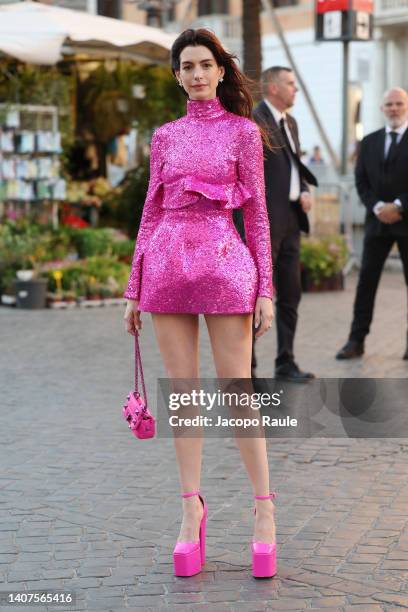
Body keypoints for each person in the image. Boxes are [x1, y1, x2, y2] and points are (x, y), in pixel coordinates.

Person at [123, 28, 277, 579]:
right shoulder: (163, 136)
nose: (195, 74)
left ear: (220, 70)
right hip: (166, 264)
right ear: (176, 75)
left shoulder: (243, 134)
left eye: (204, 64)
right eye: (185, 66)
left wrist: (266, 289)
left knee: (238, 392)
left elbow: (257, 214)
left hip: (226, 266)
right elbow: (149, 210)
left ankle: (264, 513)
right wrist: (133, 287)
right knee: (183, 395)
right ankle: (191, 511)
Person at [252, 66, 318, 382]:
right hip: (264, 224)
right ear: (273, 87)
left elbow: (294, 165)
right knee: (254, 297)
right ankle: (245, 371)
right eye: (291, 84)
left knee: (291, 293)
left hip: (292, 219)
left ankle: (285, 362)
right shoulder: (254, 122)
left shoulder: (290, 122)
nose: (296, 89)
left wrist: (303, 190)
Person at [336, 87, 408, 361]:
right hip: (377, 223)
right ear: (382, 109)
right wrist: (378, 206)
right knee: (366, 282)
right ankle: (356, 341)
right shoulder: (368, 142)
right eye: (388, 104)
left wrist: (399, 206)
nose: (394, 108)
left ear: (407, 106)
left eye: (399, 103)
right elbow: (361, 181)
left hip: (406, 220)